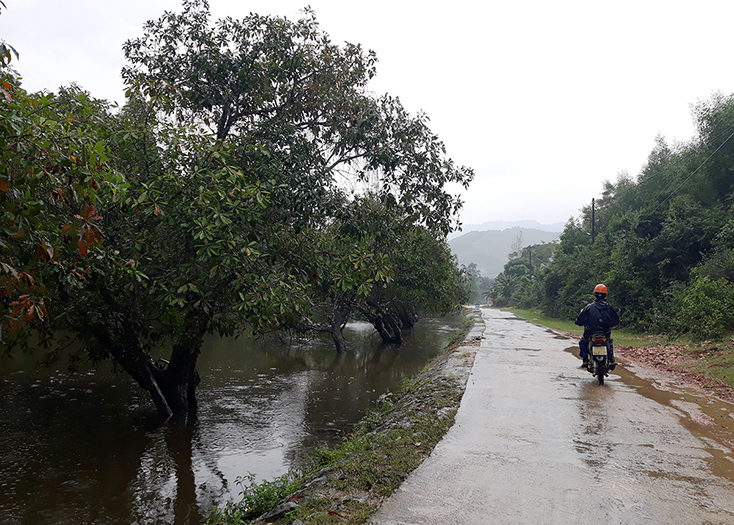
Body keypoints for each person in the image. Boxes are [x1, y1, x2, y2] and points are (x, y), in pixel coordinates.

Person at [575, 284, 619, 369]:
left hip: (590, 333)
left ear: (595, 294)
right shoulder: (609, 307)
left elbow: (580, 320)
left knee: (583, 343)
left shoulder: (588, 307)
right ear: (605, 294)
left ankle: (585, 360)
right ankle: (611, 359)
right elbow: (616, 321)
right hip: (605, 333)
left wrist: (580, 323)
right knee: (609, 342)